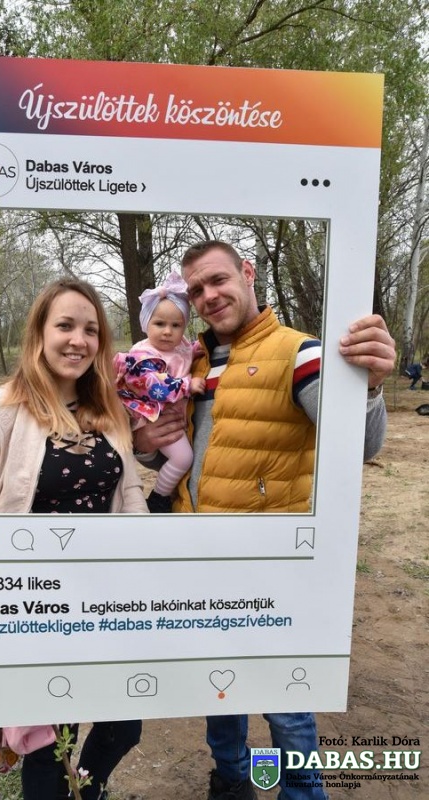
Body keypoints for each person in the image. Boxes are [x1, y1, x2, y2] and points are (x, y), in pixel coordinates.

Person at [133, 240, 396, 800]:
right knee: (217, 688)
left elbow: (361, 446)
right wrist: (148, 444)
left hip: (271, 570)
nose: (209, 296)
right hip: (198, 560)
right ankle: (232, 781)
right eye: (196, 290)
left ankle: (302, 793)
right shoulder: (189, 361)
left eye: (218, 280)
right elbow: (174, 455)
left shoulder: (300, 353)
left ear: (248, 273)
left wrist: (370, 388)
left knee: (285, 702)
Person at [0, 277, 147, 800]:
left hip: (106, 600)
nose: (78, 340)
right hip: (34, 606)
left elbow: (130, 494)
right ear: (39, 333)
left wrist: (150, 571)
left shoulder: (111, 411)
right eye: (65, 325)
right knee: (48, 743)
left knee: (123, 725)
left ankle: (88, 789)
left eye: (91, 330)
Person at [114, 271, 205, 512]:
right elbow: (154, 386)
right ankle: (159, 497)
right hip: (153, 417)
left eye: (176, 325)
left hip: (172, 415)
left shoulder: (178, 346)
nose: (167, 331)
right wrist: (187, 385)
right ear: (146, 324)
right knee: (183, 458)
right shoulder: (142, 355)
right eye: (160, 324)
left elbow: (185, 352)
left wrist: (199, 347)